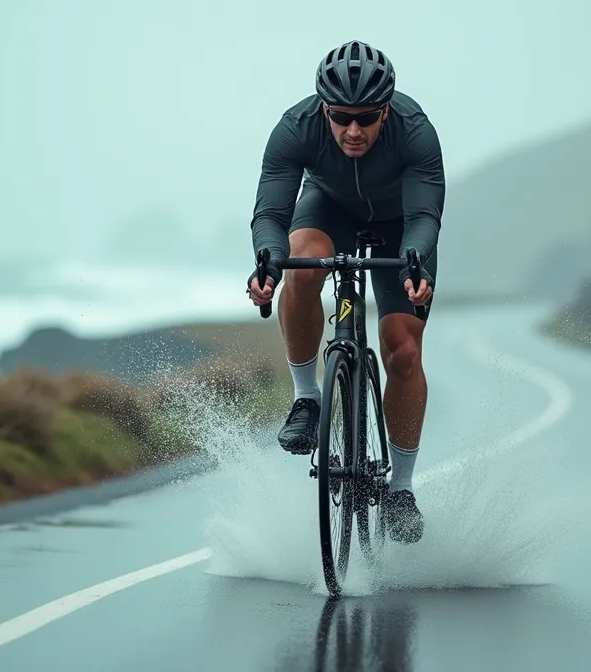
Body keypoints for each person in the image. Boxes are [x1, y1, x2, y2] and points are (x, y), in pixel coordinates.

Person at [245, 39, 444, 545]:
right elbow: (270, 214)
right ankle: (307, 398)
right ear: (323, 109)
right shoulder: (296, 128)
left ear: (386, 109)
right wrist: (266, 261)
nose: (352, 130)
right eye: (340, 117)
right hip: (328, 210)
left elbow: (424, 216)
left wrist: (416, 261)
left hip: (401, 227)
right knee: (301, 265)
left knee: (403, 349)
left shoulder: (415, 131)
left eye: (367, 117)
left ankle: (400, 490)